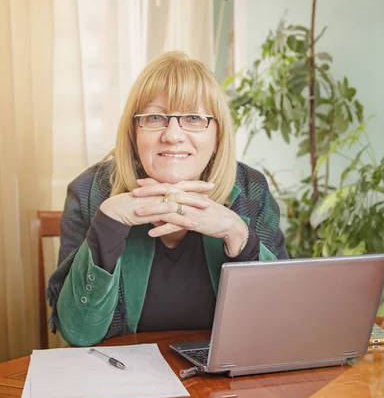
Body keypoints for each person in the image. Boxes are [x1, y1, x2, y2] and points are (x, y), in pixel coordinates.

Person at [48, 51, 288, 346]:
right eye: (154, 117)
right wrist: (107, 227)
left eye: (193, 118)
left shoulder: (251, 190)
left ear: (218, 135)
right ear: (133, 135)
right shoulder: (88, 191)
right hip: (125, 382)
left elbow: (279, 327)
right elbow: (78, 333)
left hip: (225, 384)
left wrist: (239, 235)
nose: (173, 135)